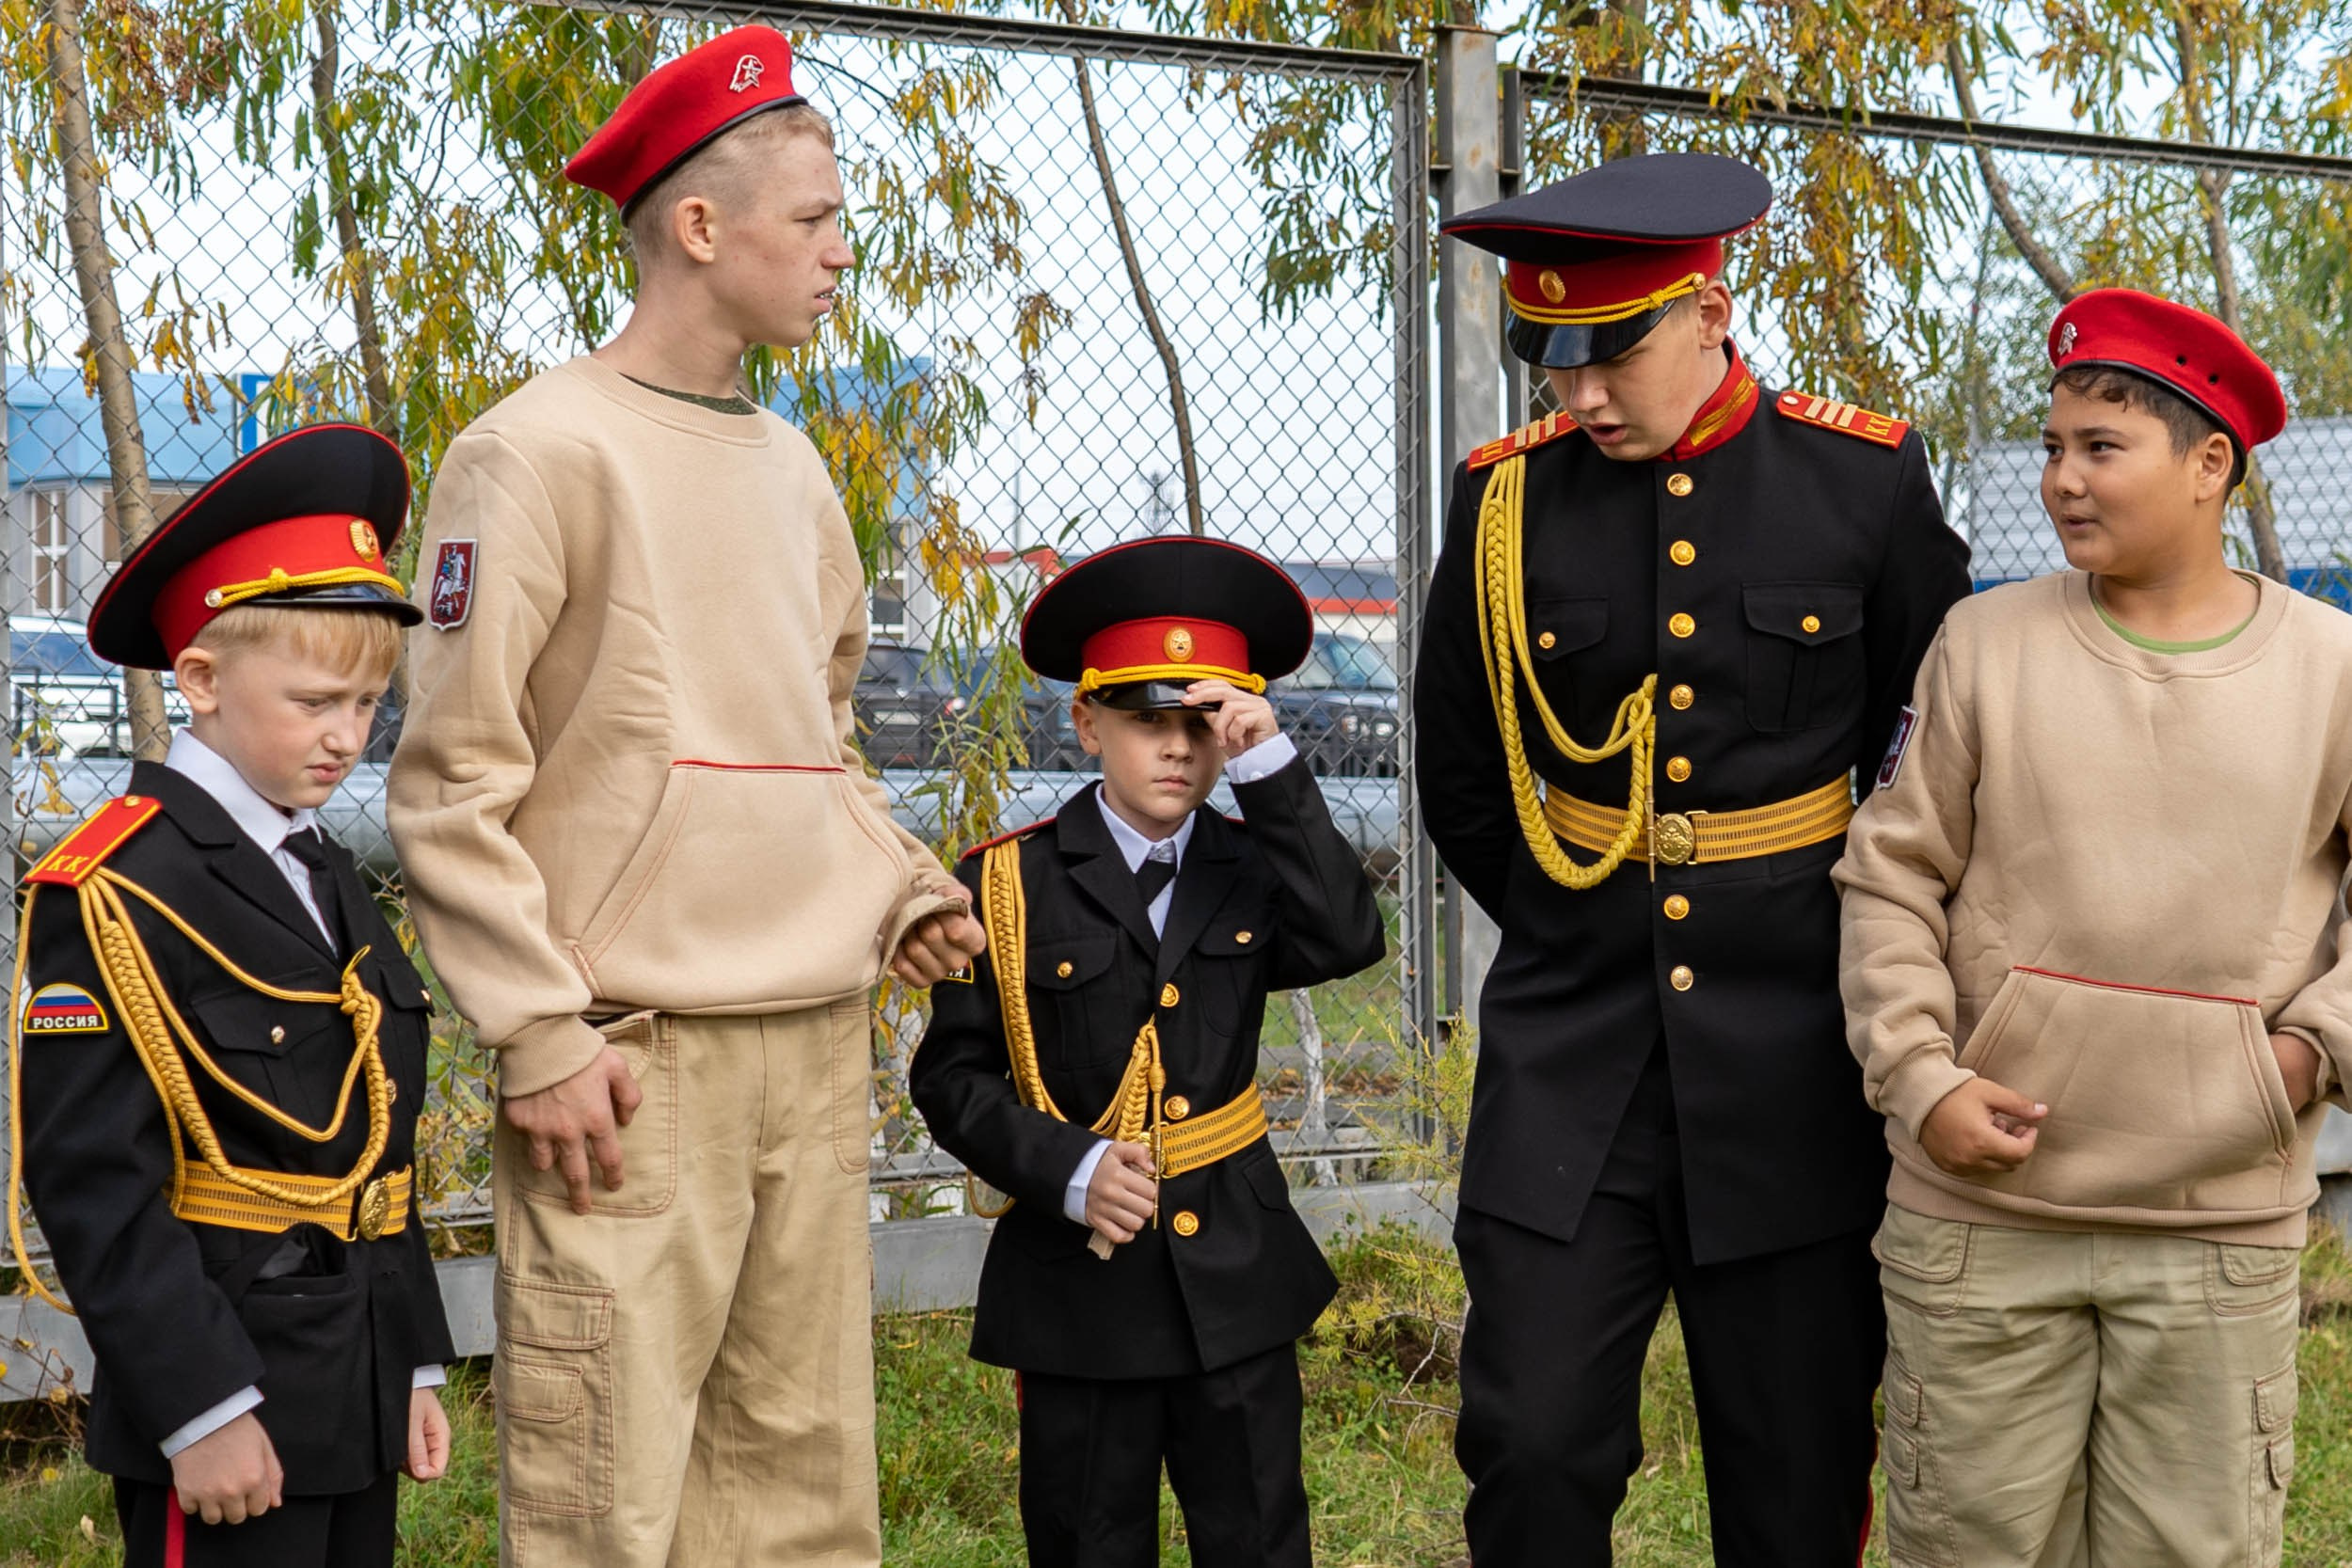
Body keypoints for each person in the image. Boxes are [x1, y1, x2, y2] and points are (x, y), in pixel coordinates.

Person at [385, 25, 984, 1566]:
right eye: (819, 219)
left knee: (801, 1493)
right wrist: (534, 1027)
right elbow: (454, 784)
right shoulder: (534, 456)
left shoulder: (793, 470)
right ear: (703, 230)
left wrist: (897, 886)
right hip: (626, 1072)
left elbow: (817, 740)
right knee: (610, 1501)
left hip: (808, 1048)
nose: (845, 251)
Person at [1412, 151, 1973, 1565]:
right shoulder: (1501, 507)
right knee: (1532, 1444)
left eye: (1614, 355)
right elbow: (1471, 785)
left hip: (1793, 1061)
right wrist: (1576, 920)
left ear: (1711, 309)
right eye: (1552, 363)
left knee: (1792, 1473)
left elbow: (1939, 763)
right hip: (1573, 1056)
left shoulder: (1862, 480)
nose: (1579, 395)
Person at [1835, 288, 2345, 1567]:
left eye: (2100, 449)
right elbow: (1890, 879)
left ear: (2209, 464)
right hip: (1982, 1224)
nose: (2060, 478)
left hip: (2218, 1233)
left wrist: (2305, 1056)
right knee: (1967, 1543)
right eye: (2054, 444)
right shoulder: (1982, 645)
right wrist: (1921, 1076)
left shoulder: (2330, 671)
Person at [8, 422, 456, 1568]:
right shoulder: (118, 886)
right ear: (199, 679)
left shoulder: (323, 873)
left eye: (366, 703)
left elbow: (376, 1153)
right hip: (225, 1401)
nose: (346, 737)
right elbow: (95, 1183)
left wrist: (407, 1358)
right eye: (315, 699)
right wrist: (201, 1407)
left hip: (348, 1383)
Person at [911, 537, 1385, 1568]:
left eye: (1200, 723)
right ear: (1086, 723)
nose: (1177, 747)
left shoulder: (1255, 867)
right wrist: (1068, 1168)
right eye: (1144, 719)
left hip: (1235, 1275)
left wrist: (1267, 763)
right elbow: (948, 1078)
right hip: (1081, 1287)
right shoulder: (1007, 884)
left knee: (1258, 1534)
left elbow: (1350, 934)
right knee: (1089, 1538)